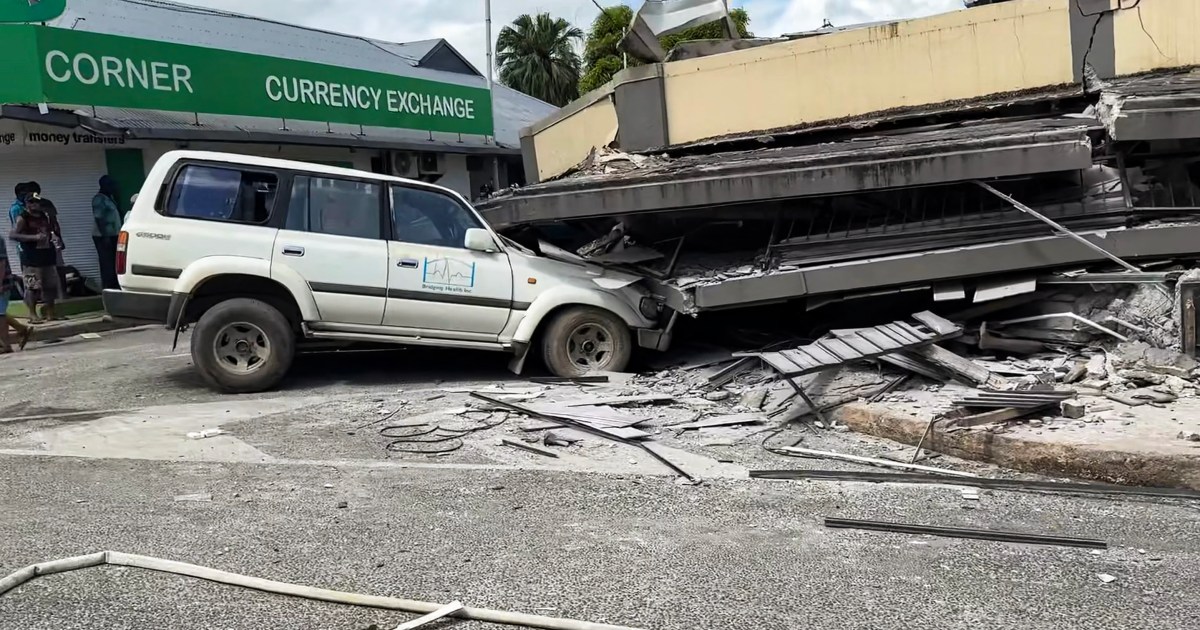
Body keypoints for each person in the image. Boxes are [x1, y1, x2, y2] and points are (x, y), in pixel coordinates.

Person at [9, 196, 60, 323]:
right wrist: (34, 237)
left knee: (50, 286)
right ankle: (32, 315)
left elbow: (51, 231)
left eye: (37, 202)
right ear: (26, 204)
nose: (34, 204)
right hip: (31, 257)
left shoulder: (45, 216)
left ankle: (50, 314)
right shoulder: (23, 218)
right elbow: (13, 235)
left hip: (47, 255)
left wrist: (55, 238)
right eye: (31, 202)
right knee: (32, 286)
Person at [0, 235, 34, 353]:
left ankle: (5, 345)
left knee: (0, 314)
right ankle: (21, 329)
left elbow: (1, 263)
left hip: (2, 282)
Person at [92, 176, 122, 290]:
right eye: (111, 184)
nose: (113, 187)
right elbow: (99, 219)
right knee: (106, 261)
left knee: (113, 260)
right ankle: (108, 286)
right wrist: (105, 237)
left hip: (113, 234)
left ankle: (114, 284)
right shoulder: (99, 199)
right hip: (103, 236)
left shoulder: (109, 198)